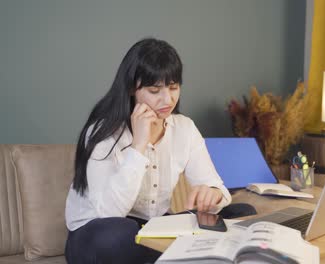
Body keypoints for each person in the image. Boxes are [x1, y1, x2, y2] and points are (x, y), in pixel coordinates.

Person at [64, 38, 247, 264]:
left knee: (241, 213)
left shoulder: (184, 128)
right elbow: (109, 212)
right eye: (154, 90)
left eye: (173, 87)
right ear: (132, 87)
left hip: (154, 228)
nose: (167, 99)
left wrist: (213, 193)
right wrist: (138, 145)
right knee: (119, 234)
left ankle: (181, 254)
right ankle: (188, 254)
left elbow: (217, 187)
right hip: (97, 233)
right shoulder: (102, 131)